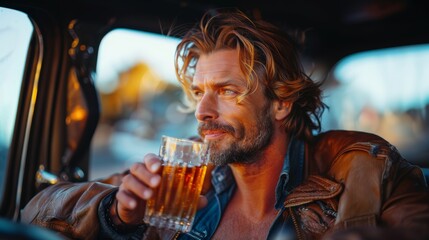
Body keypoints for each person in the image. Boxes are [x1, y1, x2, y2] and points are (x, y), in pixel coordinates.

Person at [21, 9, 429, 240]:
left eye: (227, 90)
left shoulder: (368, 170)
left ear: (281, 102)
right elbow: (32, 214)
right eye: (199, 92)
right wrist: (116, 213)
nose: (203, 111)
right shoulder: (184, 177)